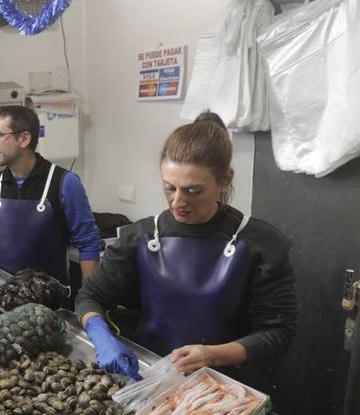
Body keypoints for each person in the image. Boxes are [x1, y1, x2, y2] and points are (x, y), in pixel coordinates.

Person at [75, 111, 298, 381]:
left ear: (225, 179)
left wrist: (214, 355)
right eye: (169, 188)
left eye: (193, 191)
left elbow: (278, 332)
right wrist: (99, 334)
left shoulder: (259, 243)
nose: (178, 202)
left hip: (223, 385)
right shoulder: (141, 237)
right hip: (150, 375)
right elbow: (90, 296)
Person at [0, 105, 101, 285]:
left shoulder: (64, 183)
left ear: (24, 139)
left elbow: (88, 242)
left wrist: (89, 295)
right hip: (4, 294)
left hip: (51, 297)